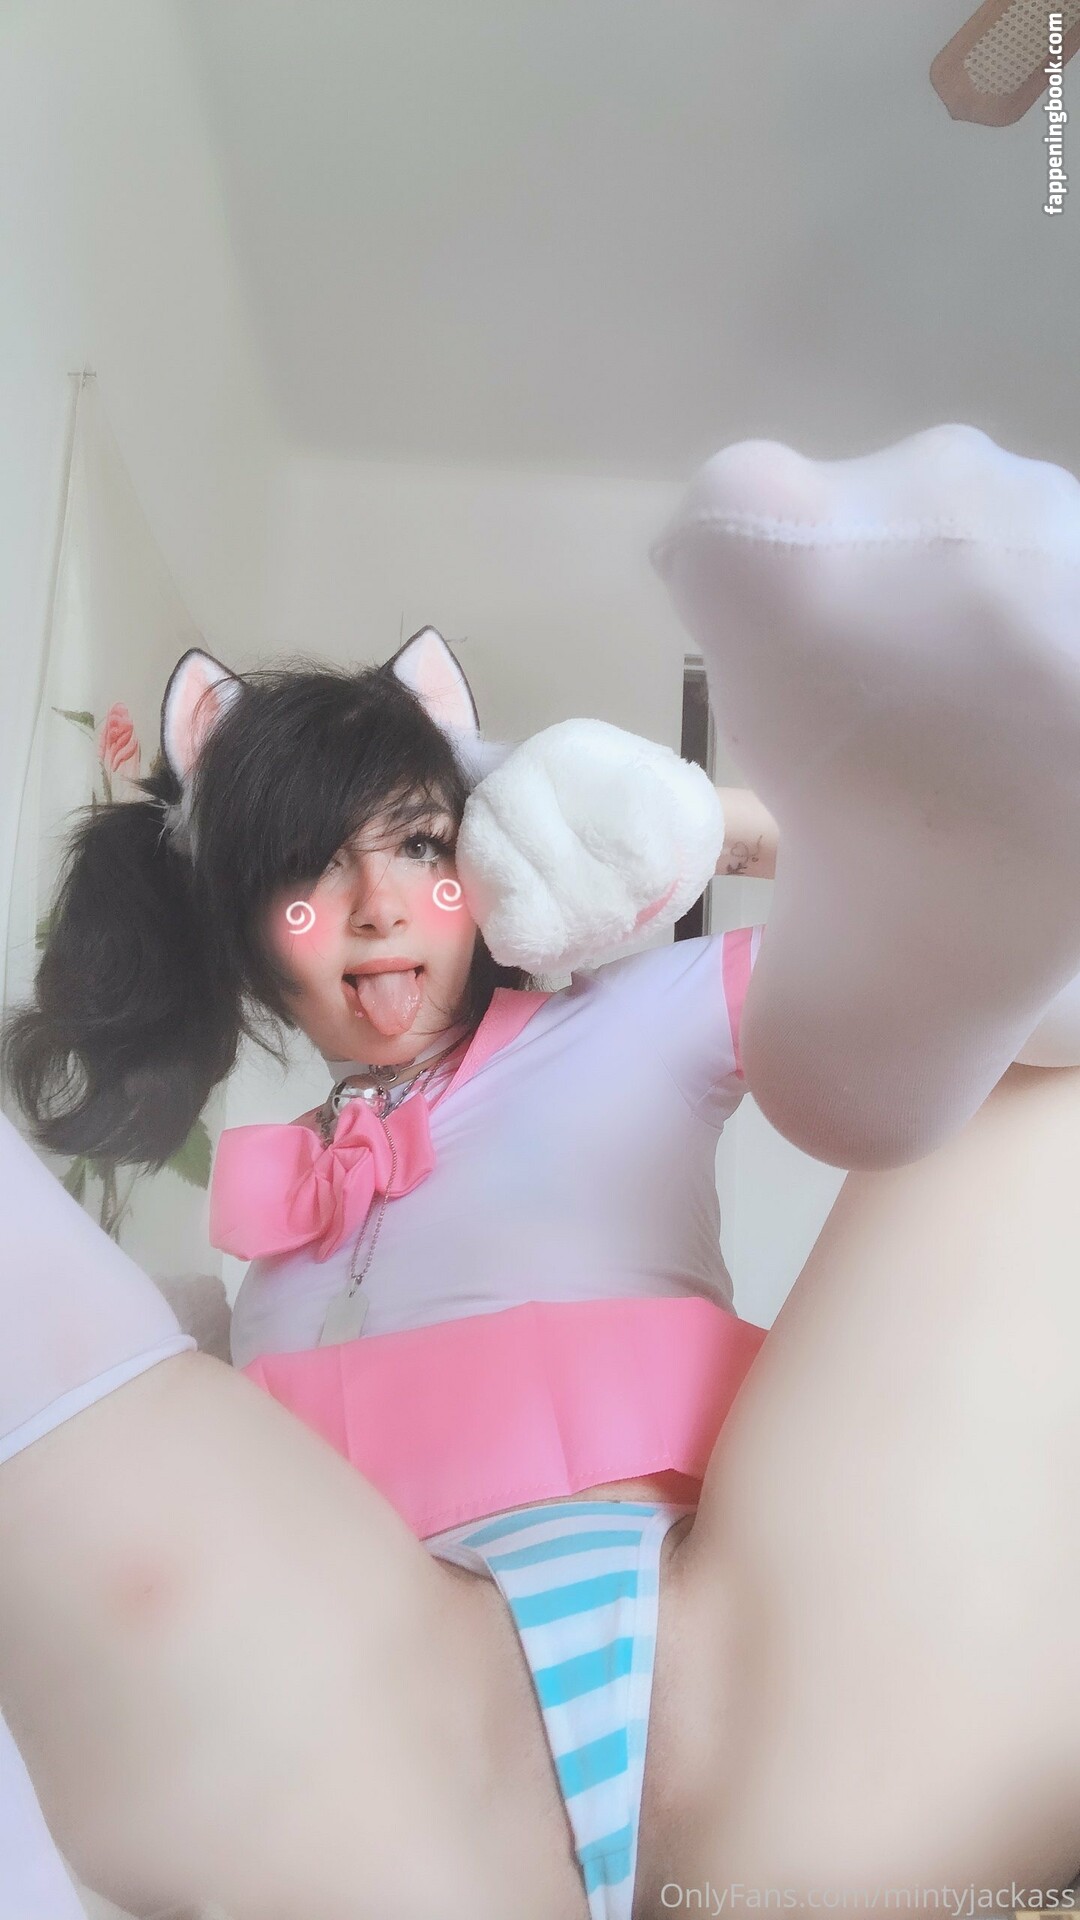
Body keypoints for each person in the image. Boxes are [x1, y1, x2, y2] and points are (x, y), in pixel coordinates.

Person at [3, 424, 1080, 1919]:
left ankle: (941, 891)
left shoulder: (631, 1016)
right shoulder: (271, 1212)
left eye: (419, 848)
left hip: (750, 1652)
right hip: (409, 1746)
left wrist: (724, 830)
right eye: (308, 879)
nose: (378, 907)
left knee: (1015, 1074)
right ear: (244, 931)